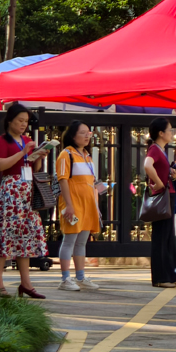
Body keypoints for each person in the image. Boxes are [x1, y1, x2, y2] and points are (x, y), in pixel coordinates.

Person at [0, 104, 50, 299]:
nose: (24, 125)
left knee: (25, 238)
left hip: (27, 191)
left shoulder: (27, 141)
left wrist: (38, 156)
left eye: (26, 121)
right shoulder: (2, 140)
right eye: (20, 121)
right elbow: (0, 164)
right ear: (10, 120)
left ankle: (26, 283)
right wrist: (23, 152)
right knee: (5, 236)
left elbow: (32, 167)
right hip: (11, 191)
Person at [56, 121, 102, 292]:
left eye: (88, 133)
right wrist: (69, 205)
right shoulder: (66, 154)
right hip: (73, 205)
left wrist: (95, 206)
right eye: (83, 133)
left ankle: (80, 277)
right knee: (69, 240)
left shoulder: (87, 156)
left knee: (82, 241)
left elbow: (92, 182)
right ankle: (65, 278)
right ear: (72, 135)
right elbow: (63, 180)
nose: (87, 136)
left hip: (87, 205)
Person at [144, 117, 176, 288]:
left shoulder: (161, 149)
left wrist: (170, 176)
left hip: (169, 196)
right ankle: (160, 278)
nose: (172, 133)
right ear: (161, 133)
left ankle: (171, 275)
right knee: (161, 238)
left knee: (168, 238)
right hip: (162, 197)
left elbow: (157, 169)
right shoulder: (154, 149)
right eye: (169, 130)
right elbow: (147, 165)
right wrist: (159, 182)